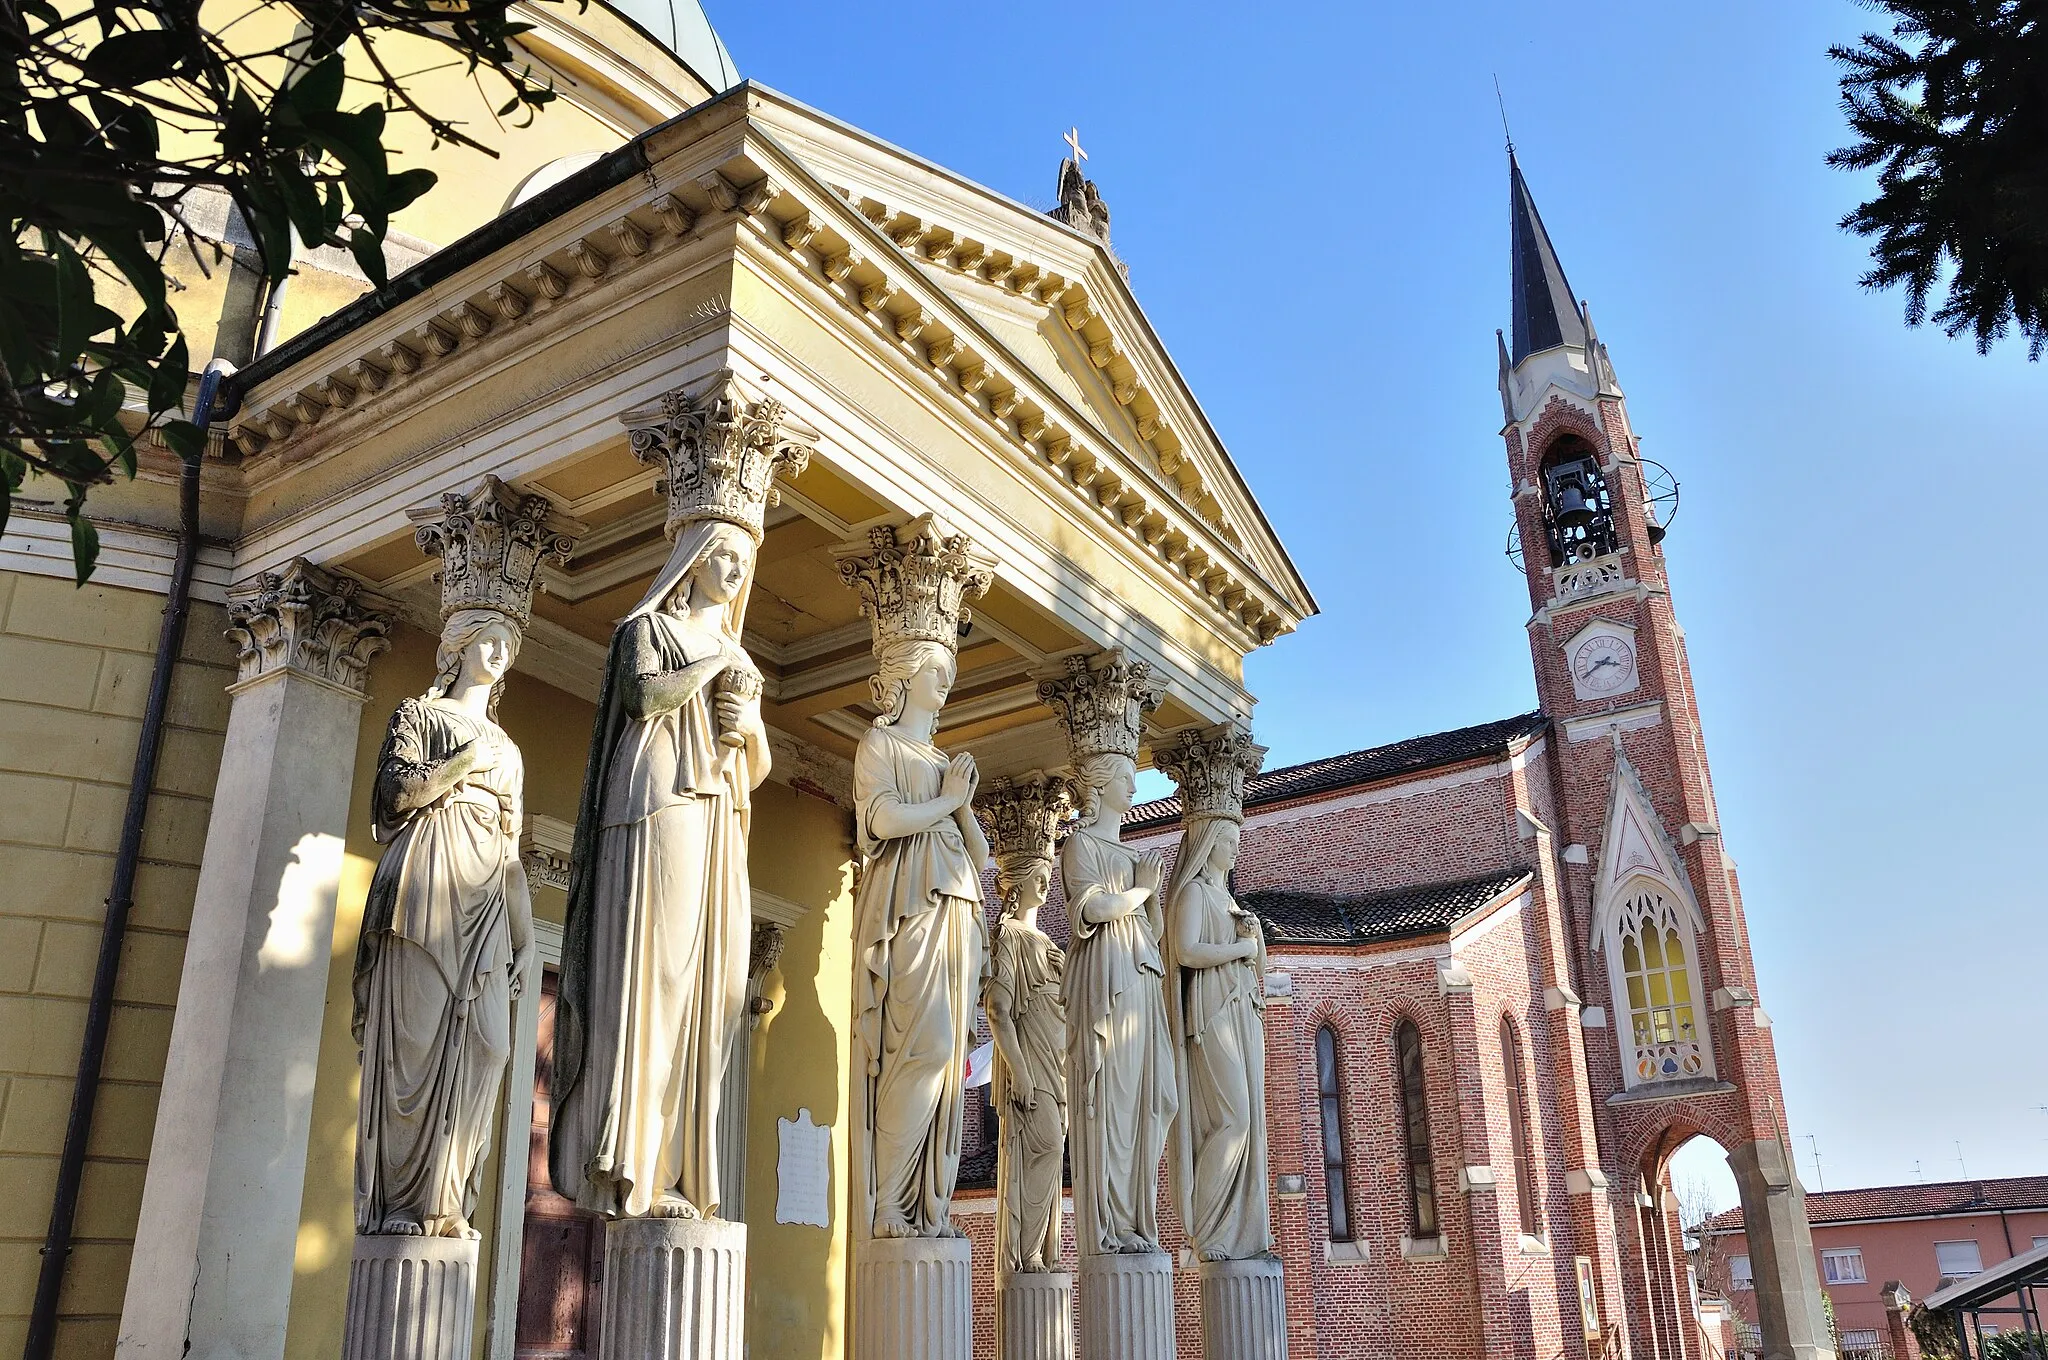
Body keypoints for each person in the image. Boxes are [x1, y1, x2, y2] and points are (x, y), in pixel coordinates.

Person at [549, 519, 769, 1220]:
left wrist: (748, 722)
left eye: (744, 560)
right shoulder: (647, 631)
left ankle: (675, 1164)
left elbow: (756, 764)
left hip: (716, 812)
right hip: (658, 799)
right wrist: (719, 668)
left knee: (710, 987)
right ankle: (632, 1158)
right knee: (658, 979)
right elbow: (644, 698)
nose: (735, 570)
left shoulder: (740, 661)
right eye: (724, 555)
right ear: (694, 562)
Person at [353, 609, 535, 1238]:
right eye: (488, 640)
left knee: (490, 1047)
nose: (498, 653)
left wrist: (527, 936)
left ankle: (448, 1193)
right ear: (458, 647)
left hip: (486, 892)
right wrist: (463, 762)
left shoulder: (509, 750)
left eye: (507, 645)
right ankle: (404, 1202)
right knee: (418, 1046)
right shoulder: (418, 717)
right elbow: (394, 799)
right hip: (427, 884)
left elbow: (512, 851)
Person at [853, 638, 990, 1239]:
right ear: (905, 679)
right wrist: (946, 801)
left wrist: (958, 804)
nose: (947, 681)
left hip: (956, 910)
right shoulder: (880, 744)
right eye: (937, 670)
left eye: (950, 672)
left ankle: (923, 1204)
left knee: (944, 1059)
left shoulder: (942, 762)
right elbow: (881, 820)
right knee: (920, 1051)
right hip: (911, 905)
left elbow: (982, 854)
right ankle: (887, 1201)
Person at [1060, 751, 1176, 1256]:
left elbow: (1156, 931)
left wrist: (1149, 896)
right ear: (1101, 786)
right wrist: (1141, 891)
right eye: (1126, 779)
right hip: (1108, 977)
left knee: (1149, 1098)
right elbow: (1094, 908)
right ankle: (1110, 1220)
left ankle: (1135, 1217)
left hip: (1142, 977)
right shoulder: (1080, 846)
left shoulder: (1134, 858)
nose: (1134, 787)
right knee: (1113, 1099)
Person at [1164, 816, 1275, 1262]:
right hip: (1211, 1010)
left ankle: (1239, 1230)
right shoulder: (1193, 894)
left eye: (1237, 842)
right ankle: (1209, 1227)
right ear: (1207, 844)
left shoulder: (1229, 900)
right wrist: (1240, 949)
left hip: (1244, 1009)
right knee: (1233, 1120)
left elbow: (1260, 968)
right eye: (1227, 841)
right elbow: (1185, 950)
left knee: (1251, 1123)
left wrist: (1256, 939)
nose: (1234, 850)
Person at [986, 849, 1067, 1273]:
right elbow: (998, 1009)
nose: (1047, 882)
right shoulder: (1009, 936)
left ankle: (1040, 1251)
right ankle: (1025, 1250)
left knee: (1051, 1156)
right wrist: (1017, 1069)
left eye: (1049, 875)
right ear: (1016, 882)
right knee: (1046, 1147)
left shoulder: (1048, 944)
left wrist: (1066, 972)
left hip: (1056, 1064)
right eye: (1039, 875)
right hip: (1033, 1067)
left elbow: (1067, 1007)